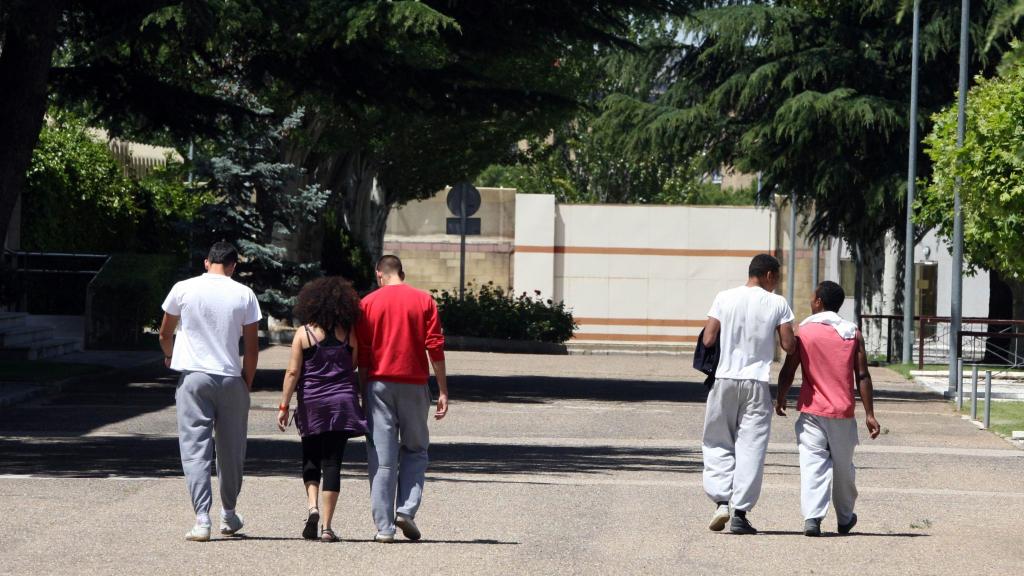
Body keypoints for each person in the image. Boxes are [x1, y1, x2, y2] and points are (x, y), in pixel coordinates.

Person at [159, 242, 261, 542]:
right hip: (230, 377)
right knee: (232, 451)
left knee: (195, 449)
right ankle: (228, 514)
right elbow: (252, 349)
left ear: (207, 262)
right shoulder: (244, 293)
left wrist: (169, 354)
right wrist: (248, 381)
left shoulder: (184, 288)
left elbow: (165, 332)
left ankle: (202, 519)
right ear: (233, 266)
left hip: (193, 376)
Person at [775, 280, 881, 537]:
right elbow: (863, 375)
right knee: (844, 469)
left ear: (819, 302)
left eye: (812, 298)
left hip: (811, 412)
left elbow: (790, 369)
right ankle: (844, 518)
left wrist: (780, 396)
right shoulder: (851, 332)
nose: (811, 301)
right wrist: (869, 414)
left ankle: (813, 518)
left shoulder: (804, 331)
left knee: (812, 464)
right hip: (842, 414)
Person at [700, 253, 795, 535]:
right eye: (776, 277)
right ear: (768, 275)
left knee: (717, 441)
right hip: (756, 382)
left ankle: (720, 502)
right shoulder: (777, 303)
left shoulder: (724, 297)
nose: (776, 283)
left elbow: (708, 338)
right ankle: (740, 513)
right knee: (751, 446)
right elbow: (789, 345)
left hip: (725, 379)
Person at [357, 255, 448, 543]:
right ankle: (406, 509)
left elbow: (363, 352)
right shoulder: (424, 301)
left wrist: (362, 391)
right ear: (402, 273)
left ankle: (384, 529)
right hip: (414, 383)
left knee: (382, 459)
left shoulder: (368, 303)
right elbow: (435, 347)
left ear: (379, 274)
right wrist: (443, 389)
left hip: (379, 384)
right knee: (416, 449)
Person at [276, 276, 368, 543]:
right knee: (333, 463)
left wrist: (284, 405)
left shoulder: (303, 333)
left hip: (312, 404)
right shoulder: (349, 333)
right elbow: (352, 365)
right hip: (341, 404)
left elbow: (293, 371)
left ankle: (312, 507)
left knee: (310, 457)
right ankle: (327, 528)